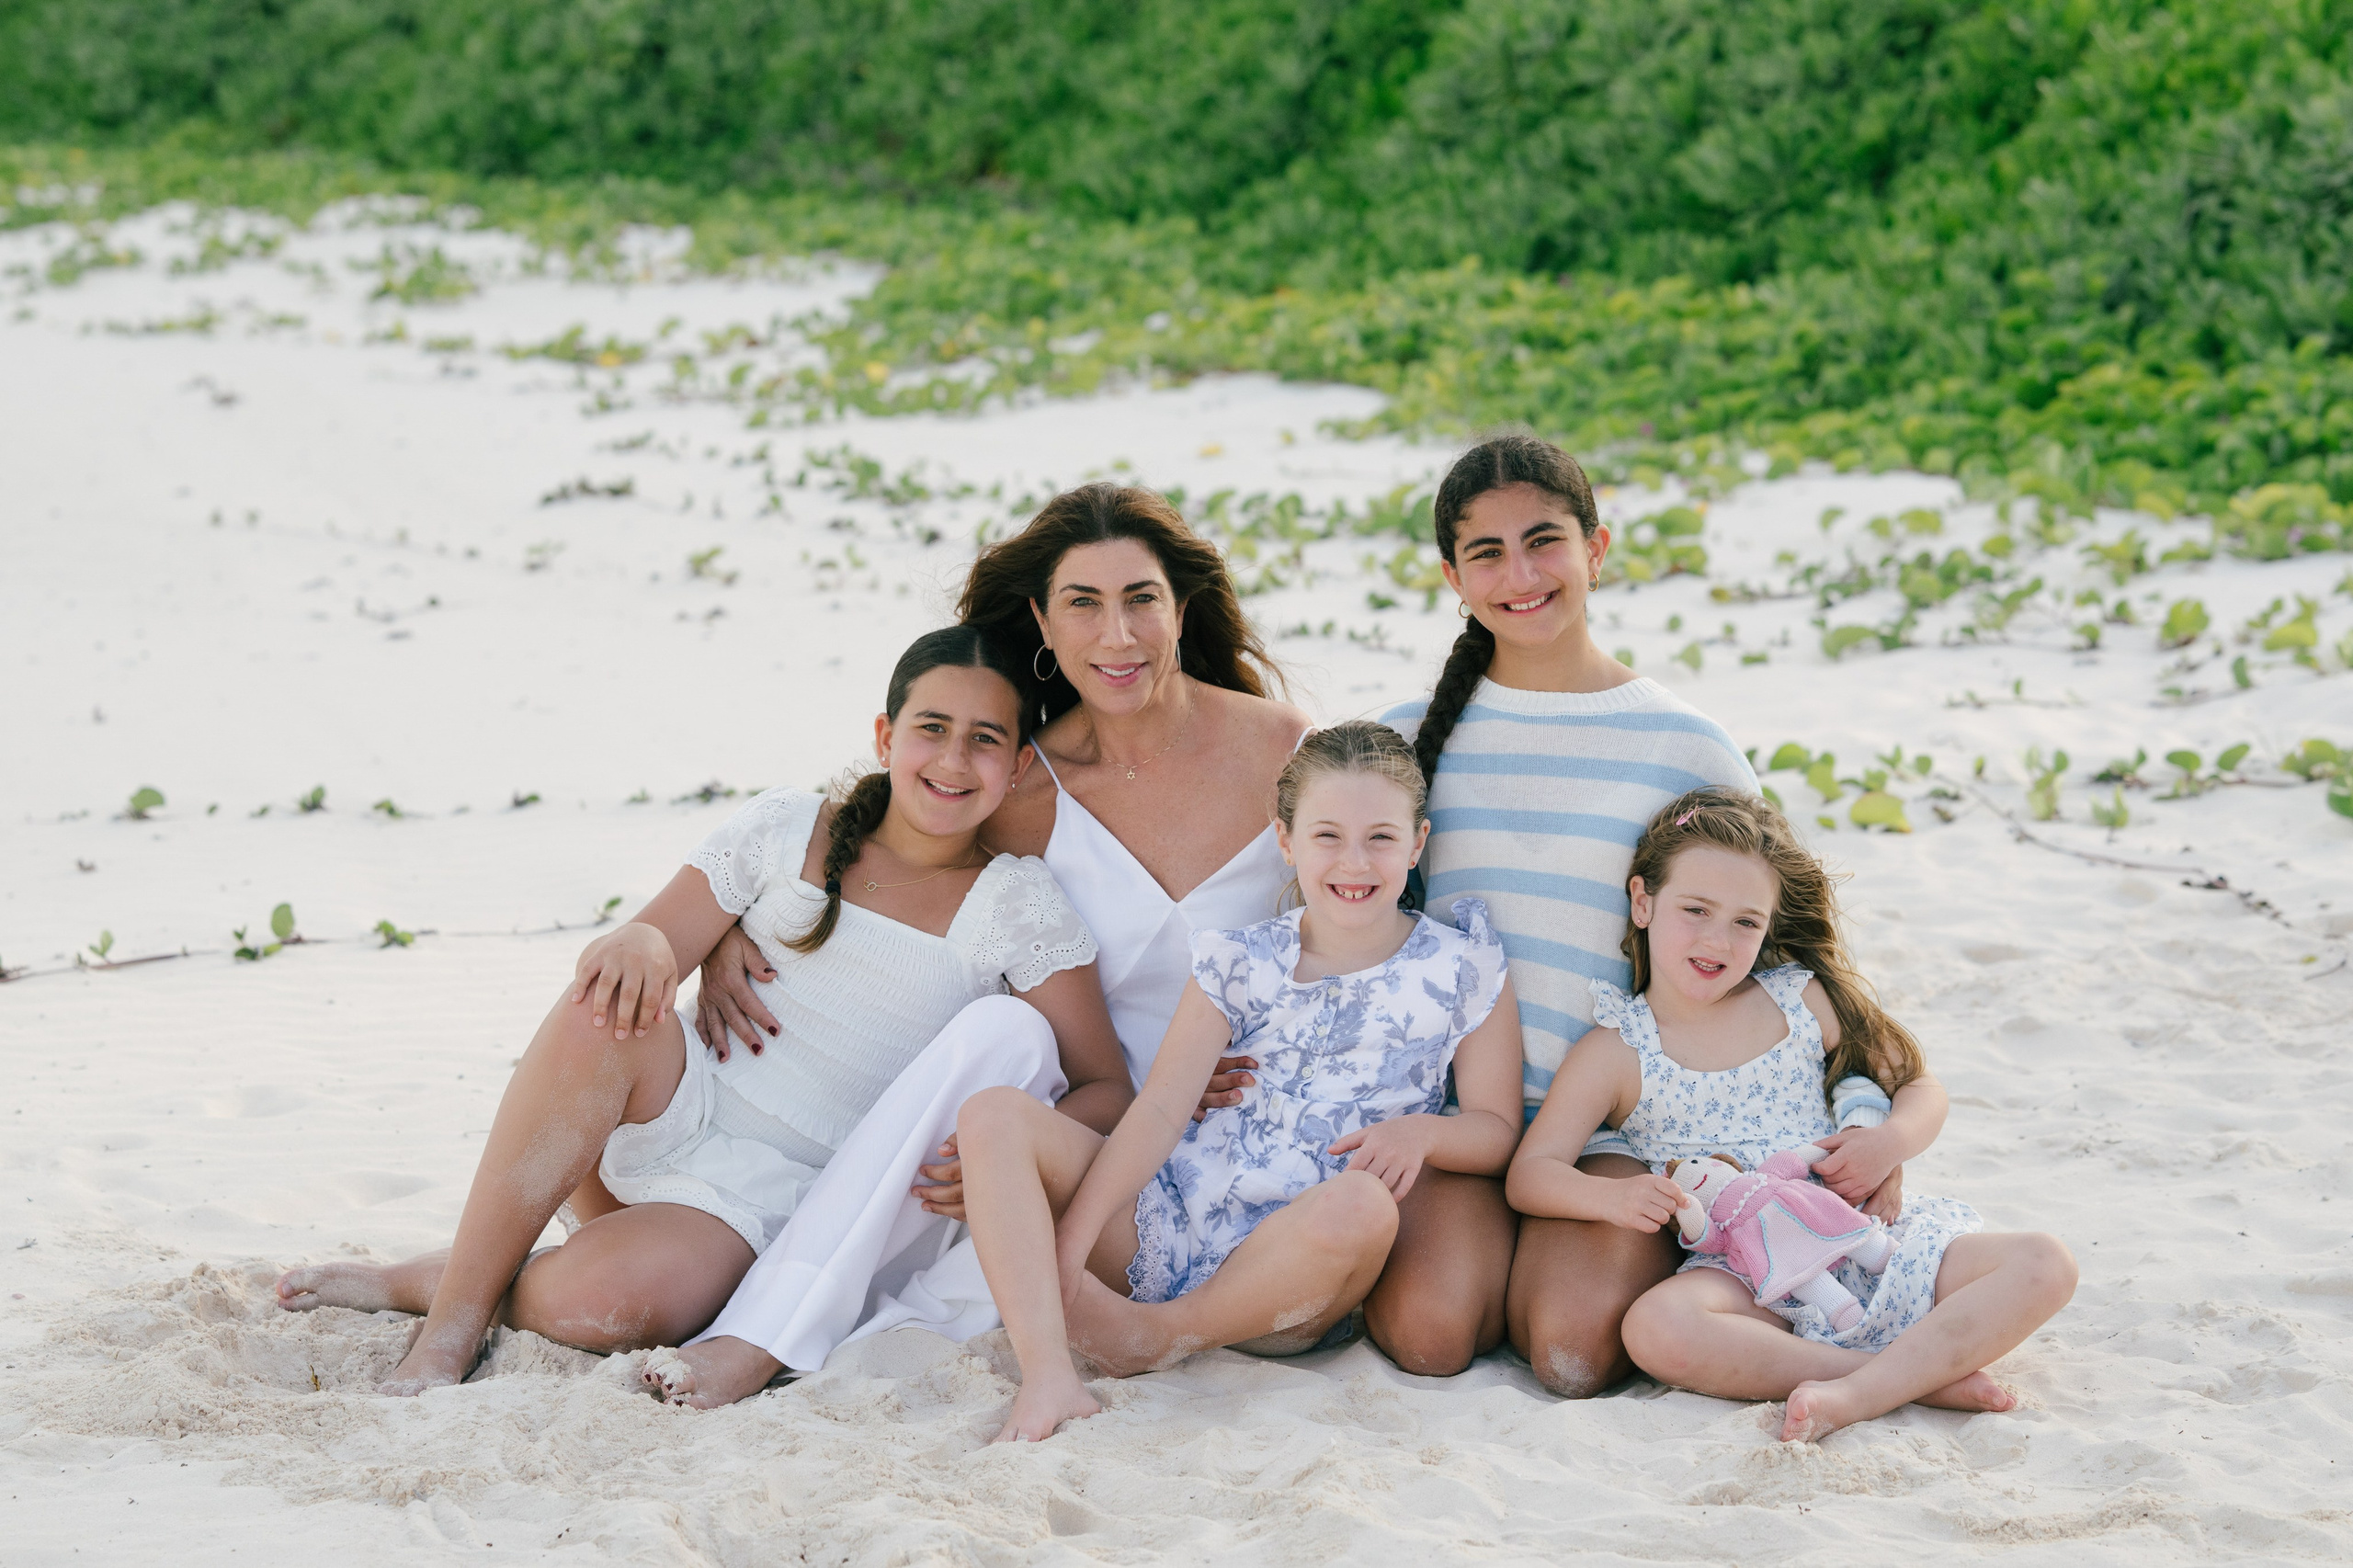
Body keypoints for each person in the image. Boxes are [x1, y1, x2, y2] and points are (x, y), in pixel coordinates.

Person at [275, 627, 1131, 1394]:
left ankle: (425, 1276)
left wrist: (987, 1151)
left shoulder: (1015, 905)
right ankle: (448, 1328)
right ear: (885, 736)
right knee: (601, 1006)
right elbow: (652, 940)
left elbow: (1104, 1089)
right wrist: (646, 945)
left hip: (783, 1203)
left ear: (1019, 765)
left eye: (985, 741)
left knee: (604, 1302)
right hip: (674, 1116)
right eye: (931, 729)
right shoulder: (789, 828)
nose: (952, 760)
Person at [649, 483, 1322, 1407]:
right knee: (1004, 1033)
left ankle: (831, 1316)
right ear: (1041, 620)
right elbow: (890, 835)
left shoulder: (1285, 753)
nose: (1115, 635)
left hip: (1232, 1129)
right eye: (1082, 603)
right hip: (1068, 1128)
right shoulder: (1022, 784)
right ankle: (764, 1336)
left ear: (1181, 608)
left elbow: (1364, 911)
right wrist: (737, 926)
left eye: (1140, 600)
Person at [1371, 430, 1800, 1389]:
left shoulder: (1683, 744)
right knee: (1430, 1335)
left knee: (1571, 1353)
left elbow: (1782, 945)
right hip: (1457, 1119)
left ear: (1597, 549)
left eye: (1544, 540)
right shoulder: (1405, 739)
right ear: (1452, 574)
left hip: (1613, 1128)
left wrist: (1864, 1110)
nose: (1518, 574)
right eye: (1485, 551)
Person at [957, 722, 1526, 1439]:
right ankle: (1047, 1376)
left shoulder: (1463, 968)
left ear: (1417, 844)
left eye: (1381, 838)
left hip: (1298, 1271)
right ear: (1285, 841)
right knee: (991, 1117)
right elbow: (1160, 1109)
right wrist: (1076, 1239)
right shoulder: (1239, 958)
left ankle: (1161, 1336)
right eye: (1327, 836)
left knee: (1363, 1204)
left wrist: (1423, 1133)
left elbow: (1497, 1132)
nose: (1355, 862)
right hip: (1171, 1222)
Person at [1506, 789, 2076, 1440]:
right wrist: (1609, 1200)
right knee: (1654, 1327)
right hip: (1752, 1276)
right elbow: (1532, 1172)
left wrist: (1890, 1142)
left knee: (2046, 1262)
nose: (1717, 939)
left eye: (1746, 922)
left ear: (1770, 924)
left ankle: (1868, 1388)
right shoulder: (1616, 1050)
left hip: (1867, 1237)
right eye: (1695, 910)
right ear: (1643, 902)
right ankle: (1894, 1377)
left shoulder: (1799, 998)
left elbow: (1919, 1085)